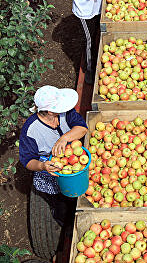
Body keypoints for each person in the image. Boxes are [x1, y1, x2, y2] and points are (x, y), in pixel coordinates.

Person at [19, 85, 88, 226]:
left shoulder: (65, 114)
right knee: (60, 196)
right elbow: (27, 160)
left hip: (76, 156)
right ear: (50, 111)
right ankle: (63, 215)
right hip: (51, 165)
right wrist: (42, 166)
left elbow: (82, 129)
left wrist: (64, 138)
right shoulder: (31, 130)